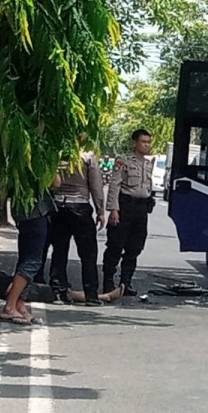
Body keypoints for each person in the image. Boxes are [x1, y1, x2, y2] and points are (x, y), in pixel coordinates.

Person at [49, 136, 105, 305]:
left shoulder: (57, 154)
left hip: (58, 206)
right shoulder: (88, 155)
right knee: (88, 253)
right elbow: (96, 185)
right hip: (80, 207)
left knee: (59, 250)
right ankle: (91, 295)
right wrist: (100, 211)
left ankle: (58, 291)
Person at [102, 129, 154, 296]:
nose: (146, 145)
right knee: (115, 245)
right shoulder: (123, 161)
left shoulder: (148, 163)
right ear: (135, 143)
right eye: (143, 142)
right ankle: (108, 282)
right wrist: (113, 209)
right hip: (125, 206)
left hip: (141, 209)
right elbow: (114, 185)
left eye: (148, 142)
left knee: (135, 247)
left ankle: (126, 282)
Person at [4, 191, 55, 325]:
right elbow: (56, 182)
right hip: (34, 212)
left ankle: (19, 304)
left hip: (25, 212)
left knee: (26, 258)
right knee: (32, 261)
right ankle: (10, 305)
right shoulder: (40, 169)